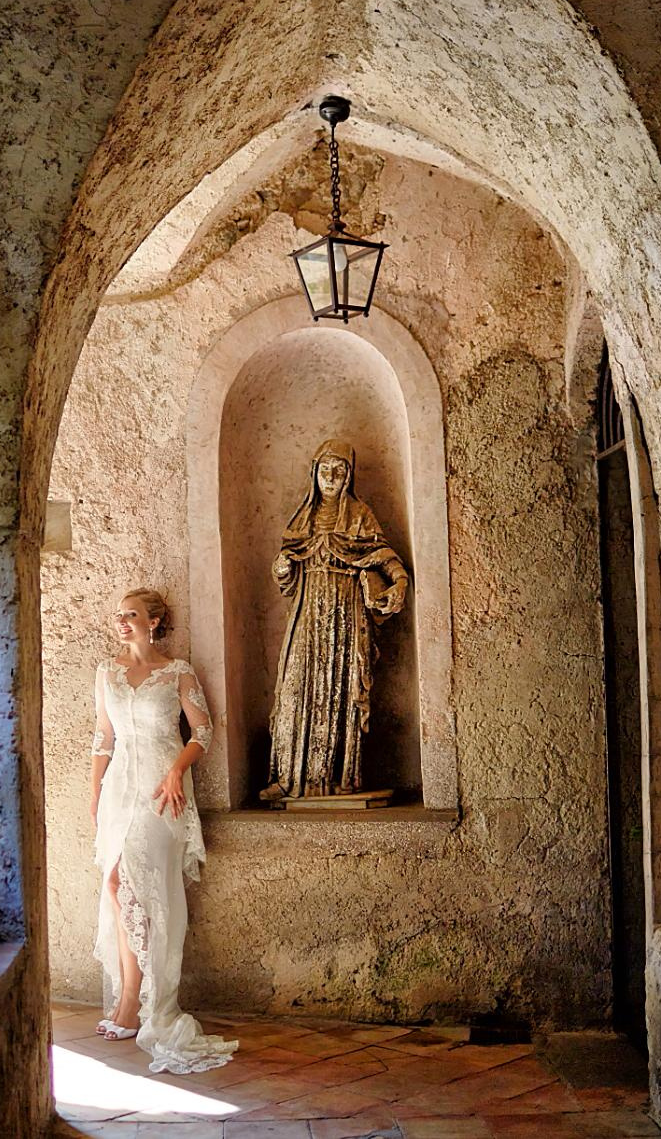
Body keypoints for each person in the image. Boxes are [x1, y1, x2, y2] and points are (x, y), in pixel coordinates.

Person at [90, 587, 237, 1073]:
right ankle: (132, 994)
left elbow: (203, 732)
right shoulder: (106, 672)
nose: (121, 621)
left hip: (162, 793)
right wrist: (95, 793)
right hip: (118, 793)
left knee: (148, 891)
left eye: (131, 614)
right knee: (114, 885)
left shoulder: (177, 672)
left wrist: (176, 771)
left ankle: (146, 1003)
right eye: (118, 615)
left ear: (154, 622)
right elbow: (103, 738)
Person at [260, 440, 409, 801]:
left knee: (341, 687)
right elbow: (288, 580)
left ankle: (341, 777)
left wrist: (400, 580)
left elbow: (384, 557)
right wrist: (283, 569)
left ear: (349, 476)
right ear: (314, 473)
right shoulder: (302, 520)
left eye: (339, 471)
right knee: (296, 687)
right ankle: (289, 776)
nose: (331, 477)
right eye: (325, 470)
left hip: (345, 613)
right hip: (308, 614)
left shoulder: (359, 517)